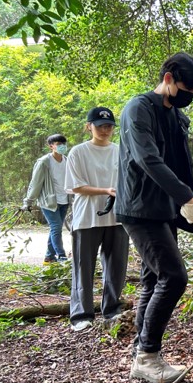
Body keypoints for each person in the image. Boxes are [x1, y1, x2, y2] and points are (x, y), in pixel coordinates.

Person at [115, 52, 193, 383]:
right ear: (168, 78)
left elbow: (182, 164)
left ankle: (141, 351)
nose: (189, 98)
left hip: (164, 208)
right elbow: (148, 160)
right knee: (174, 277)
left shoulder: (175, 117)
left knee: (153, 280)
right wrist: (186, 196)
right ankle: (147, 357)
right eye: (187, 90)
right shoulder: (138, 109)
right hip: (140, 208)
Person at [65, 107, 129, 332]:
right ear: (88, 126)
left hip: (117, 216)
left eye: (109, 126)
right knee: (84, 266)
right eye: (100, 126)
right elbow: (76, 186)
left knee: (116, 266)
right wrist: (106, 191)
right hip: (87, 217)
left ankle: (111, 309)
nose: (105, 130)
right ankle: (81, 314)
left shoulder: (120, 150)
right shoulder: (78, 152)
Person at [22, 134, 71, 263]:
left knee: (56, 228)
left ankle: (49, 256)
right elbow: (36, 183)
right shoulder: (44, 162)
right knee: (56, 228)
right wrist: (29, 201)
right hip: (49, 202)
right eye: (59, 144)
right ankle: (62, 256)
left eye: (64, 144)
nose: (62, 147)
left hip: (64, 200)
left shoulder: (67, 160)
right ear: (51, 146)